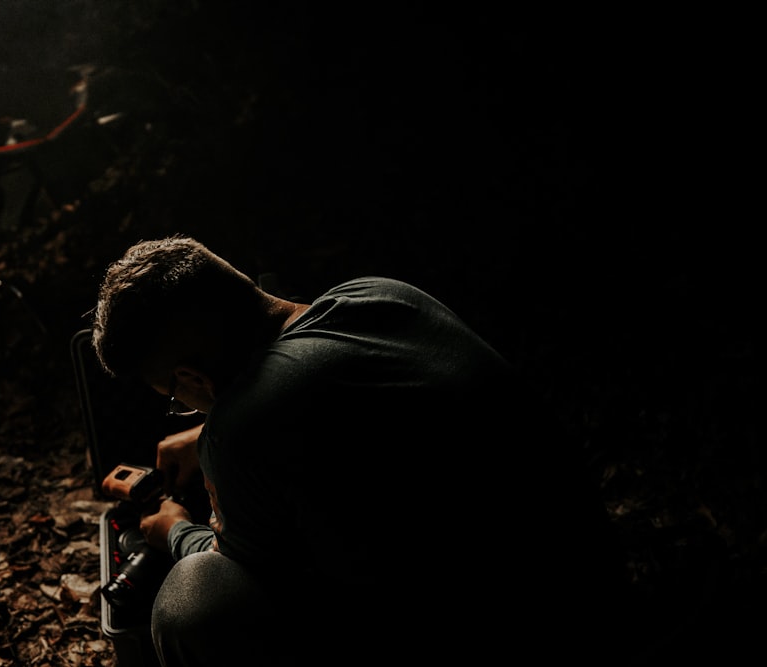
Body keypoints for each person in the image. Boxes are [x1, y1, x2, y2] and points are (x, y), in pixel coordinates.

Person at [91, 235, 633, 666]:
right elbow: (323, 397)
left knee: (193, 597)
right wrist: (216, 422)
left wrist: (173, 528)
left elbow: (234, 567)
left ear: (191, 377)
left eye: (173, 399)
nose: (182, 411)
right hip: (594, 594)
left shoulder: (242, 428)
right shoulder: (378, 293)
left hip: (498, 640)